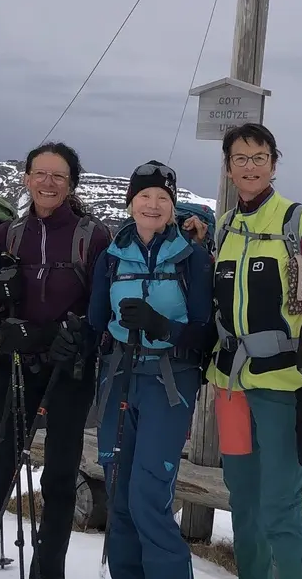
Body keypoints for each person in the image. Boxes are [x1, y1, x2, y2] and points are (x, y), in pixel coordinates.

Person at [0, 142, 112, 579]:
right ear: (26, 179)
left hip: (70, 369)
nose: (48, 182)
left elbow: (102, 309)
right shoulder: (9, 235)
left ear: (71, 183)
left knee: (60, 479)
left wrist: (72, 335)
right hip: (16, 365)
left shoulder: (92, 236)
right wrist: (0, 304)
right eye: (40, 174)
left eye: (57, 176)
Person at [205, 123, 302, 579]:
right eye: (239, 158)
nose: (249, 166)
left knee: (280, 500)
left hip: (283, 381)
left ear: (274, 164)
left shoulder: (301, 224)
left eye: (259, 157)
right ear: (227, 168)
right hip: (229, 384)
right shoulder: (224, 228)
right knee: (242, 496)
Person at [88, 160, 214, 579]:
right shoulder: (111, 256)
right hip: (120, 376)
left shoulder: (191, 258)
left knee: (148, 494)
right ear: (130, 203)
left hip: (170, 382)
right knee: (120, 492)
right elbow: (95, 320)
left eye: (163, 197)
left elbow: (204, 334)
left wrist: (162, 327)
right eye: (145, 196)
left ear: (173, 206)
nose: (153, 204)